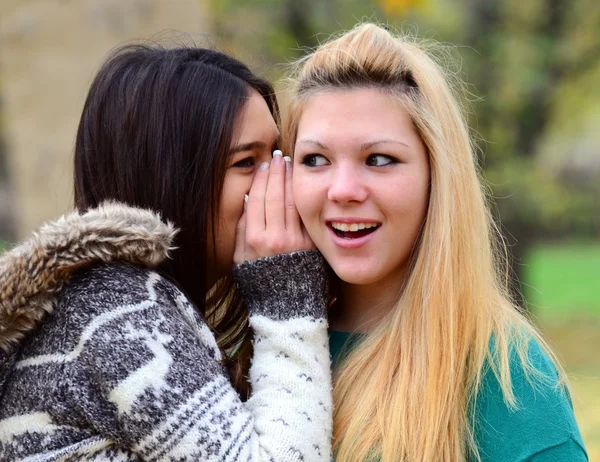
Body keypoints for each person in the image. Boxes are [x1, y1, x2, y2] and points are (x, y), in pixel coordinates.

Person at [0, 44, 332, 460]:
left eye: (279, 156)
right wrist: (286, 294)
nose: (281, 183)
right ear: (174, 178)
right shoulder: (116, 313)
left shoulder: (97, 303)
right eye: (248, 162)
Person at [283, 23, 588, 461]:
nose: (343, 189)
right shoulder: (249, 351)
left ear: (437, 175)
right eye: (316, 160)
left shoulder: (508, 380)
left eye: (380, 159)